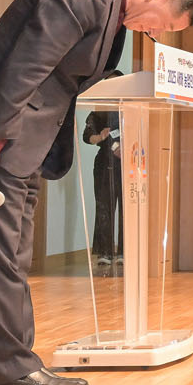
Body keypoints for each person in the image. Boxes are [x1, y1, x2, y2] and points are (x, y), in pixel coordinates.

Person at [0, 0, 193, 385]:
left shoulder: (111, 5)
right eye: (163, 26)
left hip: (23, 140)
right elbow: (25, 66)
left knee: (13, 255)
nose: (154, 35)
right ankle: (10, 374)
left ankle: (18, 366)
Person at [82, 109, 122, 273]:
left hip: (129, 161)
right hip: (104, 162)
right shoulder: (100, 110)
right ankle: (105, 251)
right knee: (104, 206)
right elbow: (87, 136)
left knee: (128, 210)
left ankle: (125, 251)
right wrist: (100, 137)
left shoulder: (131, 109)